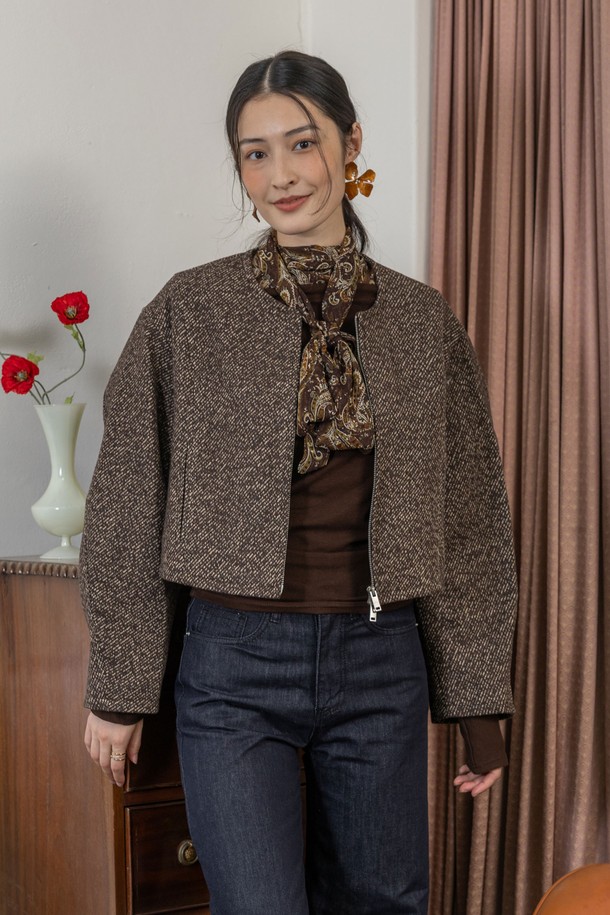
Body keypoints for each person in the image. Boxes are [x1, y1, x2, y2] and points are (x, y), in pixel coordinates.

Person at [82, 50, 517, 915]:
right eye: (255, 153)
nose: (280, 174)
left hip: (382, 659)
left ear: (350, 144)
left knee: (384, 901)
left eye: (302, 143)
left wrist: (477, 701)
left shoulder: (423, 321)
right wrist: (119, 687)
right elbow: (128, 497)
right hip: (231, 665)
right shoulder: (189, 312)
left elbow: (470, 514)